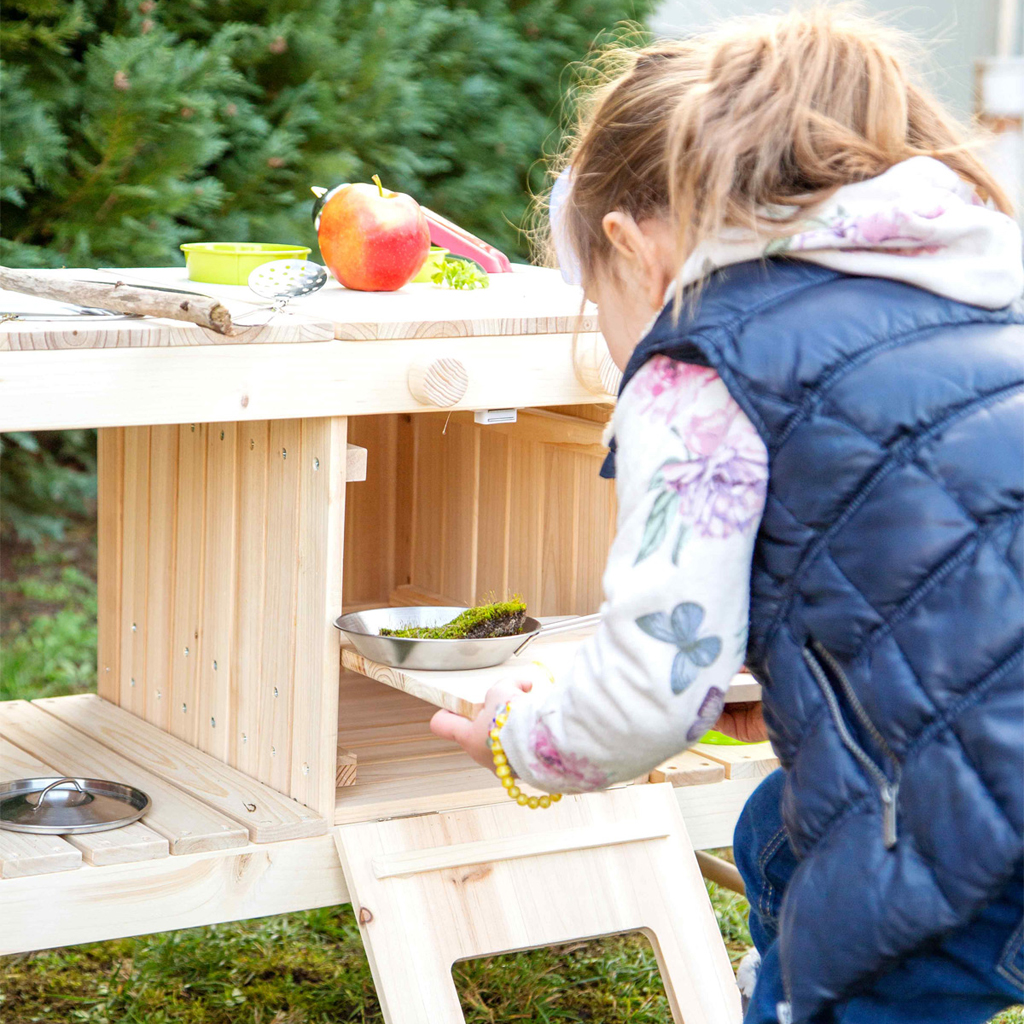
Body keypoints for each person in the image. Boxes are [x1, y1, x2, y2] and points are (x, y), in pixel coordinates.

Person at [430, 7, 1024, 1021]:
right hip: (988, 745)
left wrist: (521, 736)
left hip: (972, 819)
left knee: (865, 944)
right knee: (775, 833)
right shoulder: (982, 286)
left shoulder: (703, 363)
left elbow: (649, 697)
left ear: (631, 248)